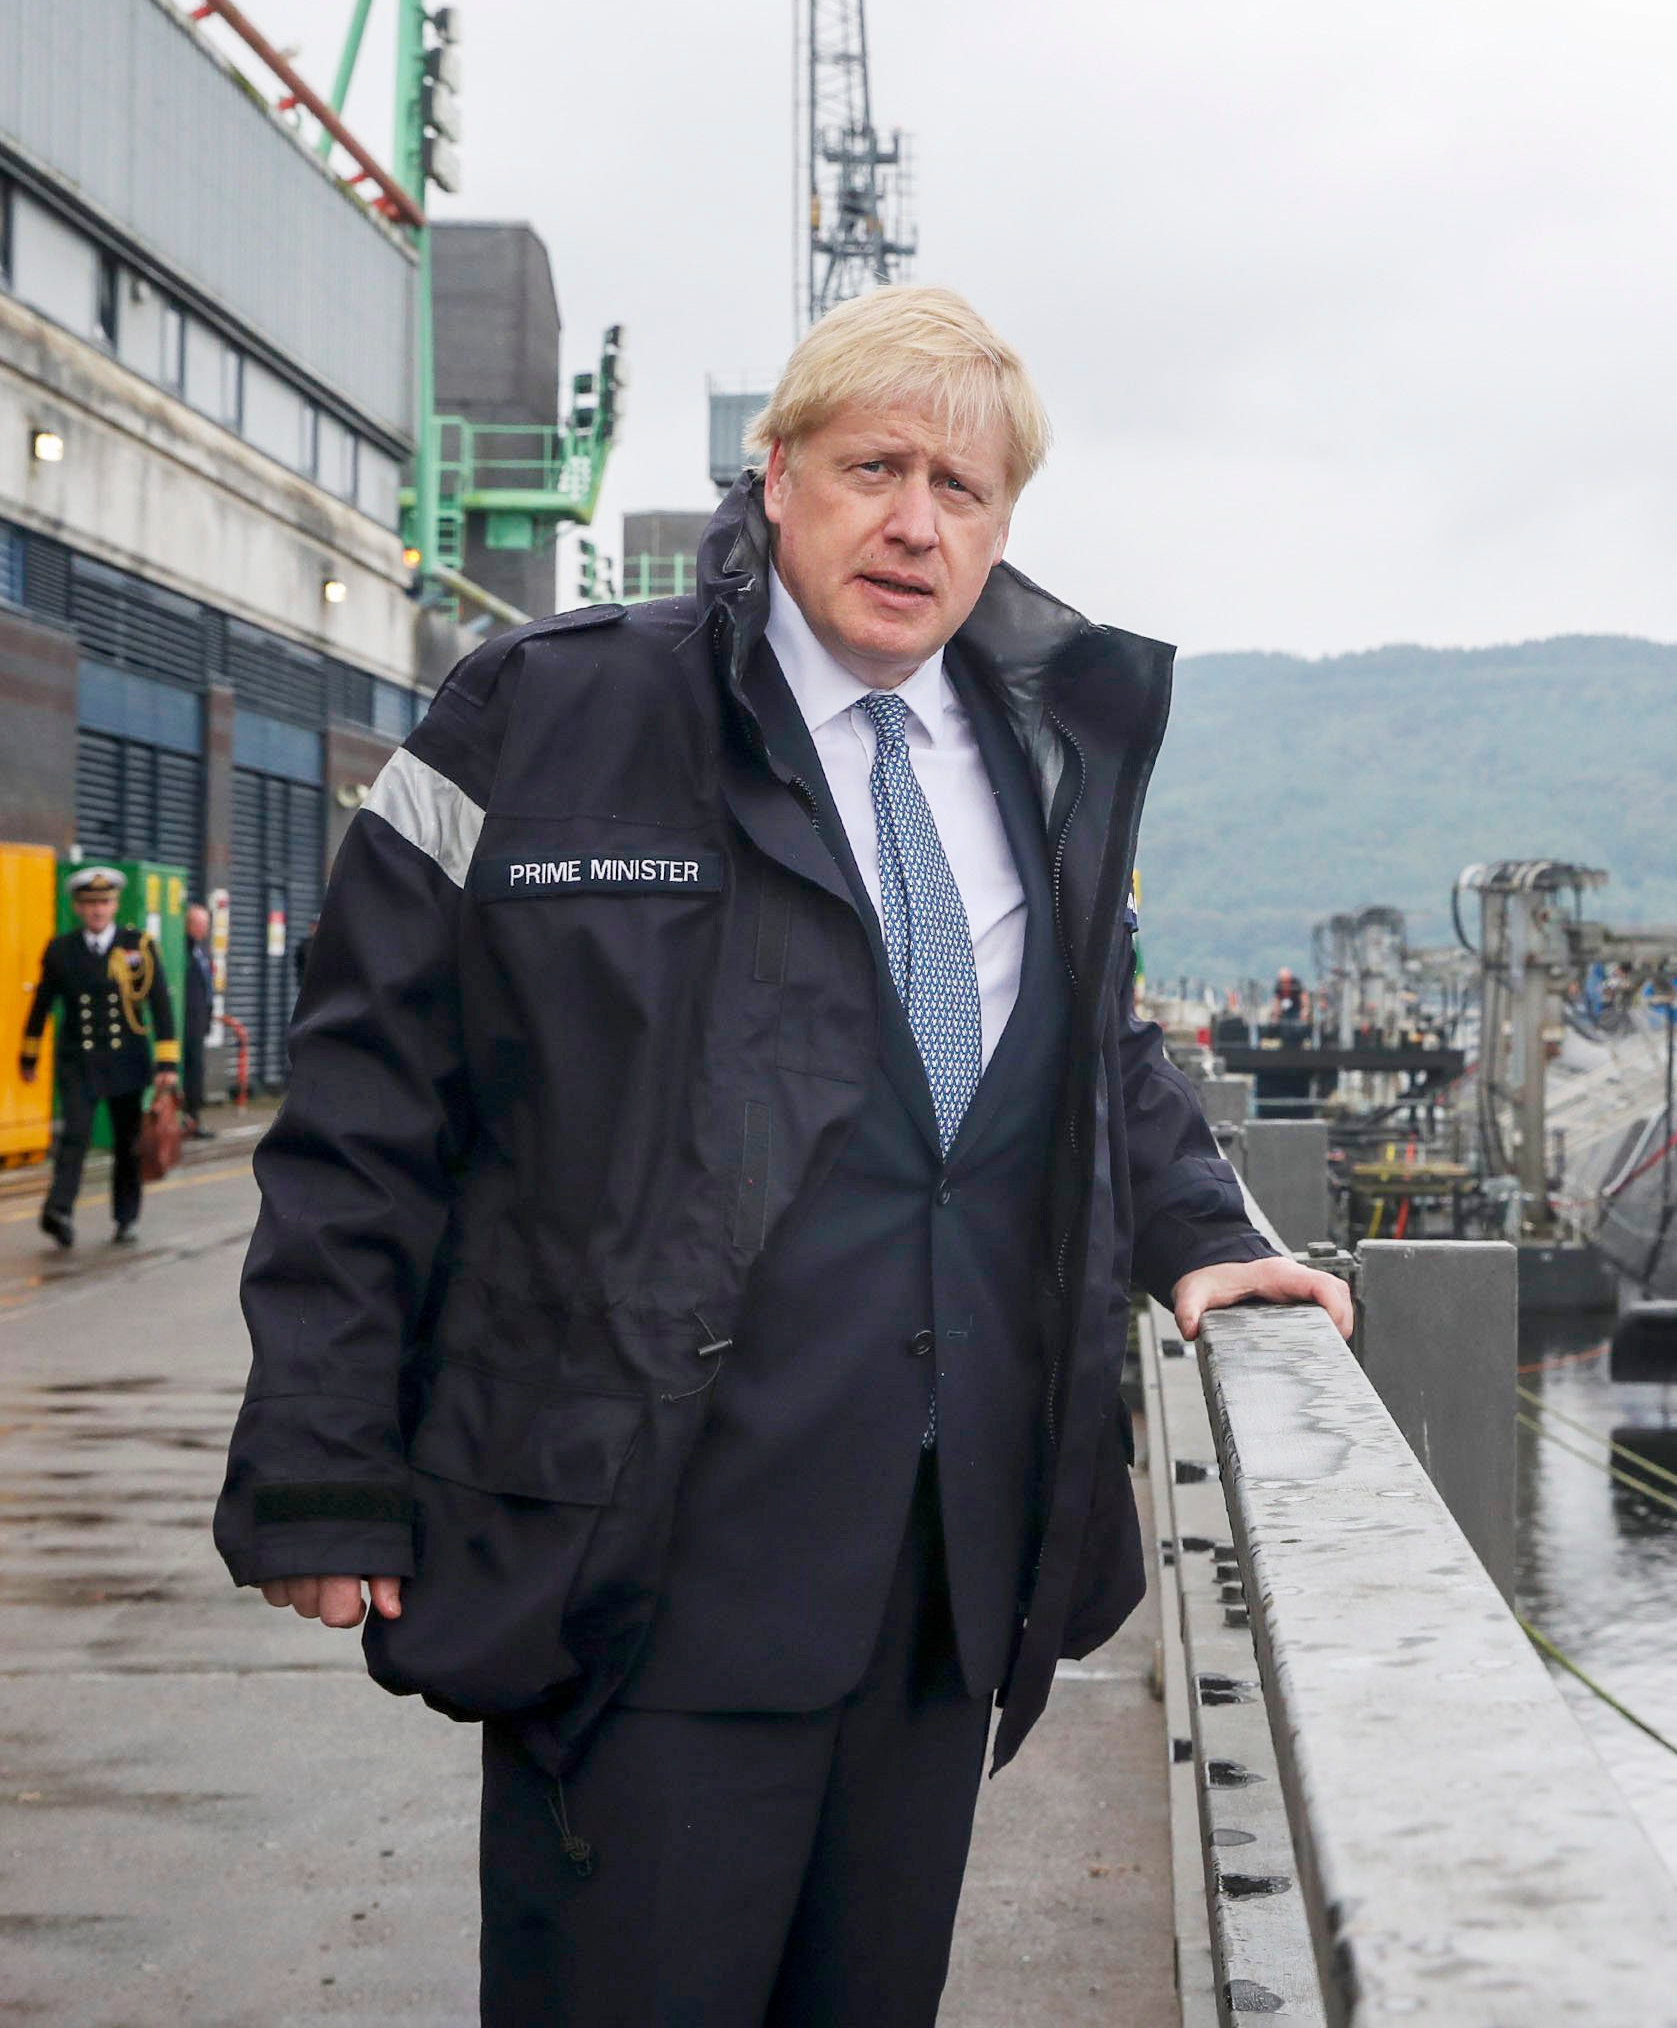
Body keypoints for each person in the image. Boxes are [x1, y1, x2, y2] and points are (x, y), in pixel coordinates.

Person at [212, 285, 1352, 2026]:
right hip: (655, 1548)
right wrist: (319, 1456)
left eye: (962, 488)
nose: (915, 520)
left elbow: (1089, 1042)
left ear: (1002, 526)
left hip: (938, 1566)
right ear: (776, 474)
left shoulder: (1036, 745)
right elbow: (366, 1110)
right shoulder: (547, 720)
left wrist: (1201, 1234)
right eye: (875, 465)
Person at [19, 865, 180, 1248]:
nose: (98, 911)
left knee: (127, 1142)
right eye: (90, 904)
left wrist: (167, 1065)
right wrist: (29, 1055)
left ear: (115, 904)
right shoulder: (61, 949)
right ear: (77, 907)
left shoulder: (137, 946)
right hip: (79, 1060)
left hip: (127, 1057)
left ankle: (125, 1217)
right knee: (74, 1135)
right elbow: (42, 1003)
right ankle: (58, 1210)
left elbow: (159, 1005)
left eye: (104, 903)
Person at [180, 899, 220, 1139]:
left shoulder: (199, 950)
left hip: (198, 1024)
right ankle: (188, 1120)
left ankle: (193, 1118)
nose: (203, 929)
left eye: (206, 923)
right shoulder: (183, 950)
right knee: (190, 1071)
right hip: (186, 1024)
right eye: (198, 923)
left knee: (196, 1071)